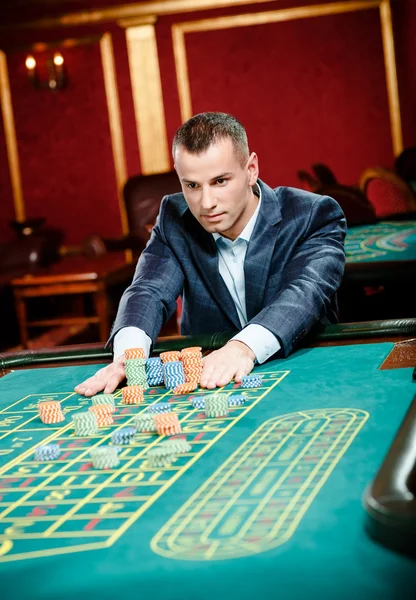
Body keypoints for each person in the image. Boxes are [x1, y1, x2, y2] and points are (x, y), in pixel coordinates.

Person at [75, 112, 346, 397]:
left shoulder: (313, 215)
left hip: (305, 378)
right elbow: (148, 290)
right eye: (192, 185)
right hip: (213, 389)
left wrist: (242, 348)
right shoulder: (174, 218)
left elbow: (304, 294)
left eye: (220, 181)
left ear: (251, 168)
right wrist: (128, 358)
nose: (206, 203)